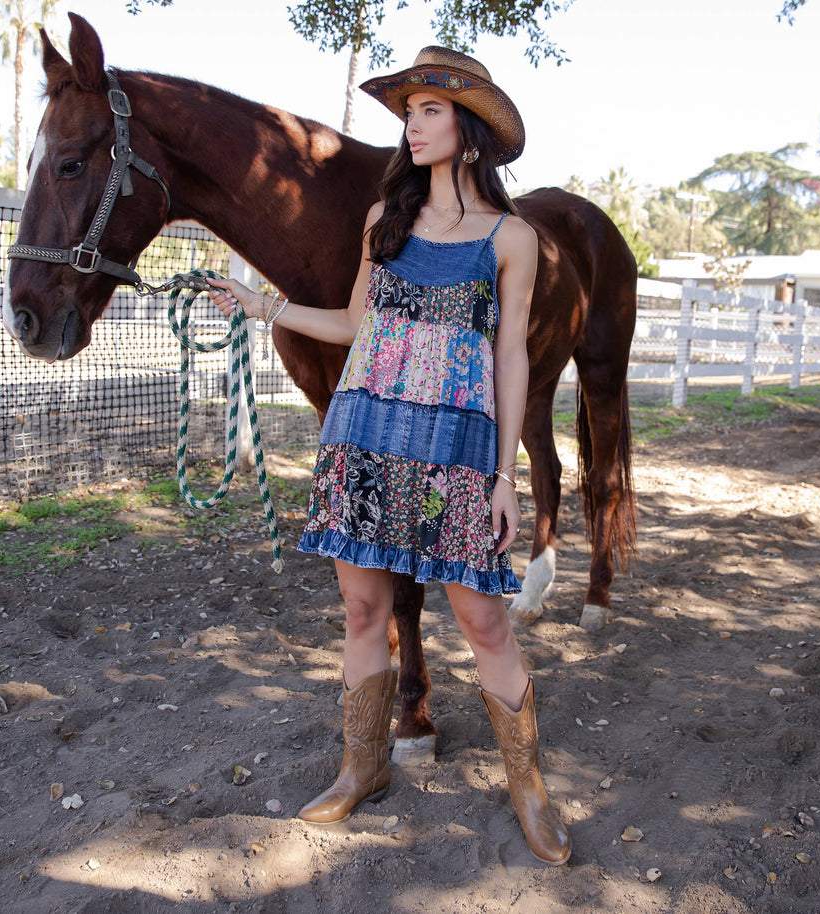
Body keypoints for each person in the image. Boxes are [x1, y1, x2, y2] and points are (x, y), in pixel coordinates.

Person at [209, 46, 570, 866]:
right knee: (365, 613)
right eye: (408, 111)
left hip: (457, 446)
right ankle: (362, 763)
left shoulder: (510, 239)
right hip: (365, 434)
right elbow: (357, 328)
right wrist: (263, 304)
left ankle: (529, 786)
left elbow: (510, 357)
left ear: (469, 129)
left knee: (482, 616)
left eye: (429, 110)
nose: (411, 125)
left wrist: (507, 473)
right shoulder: (385, 223)